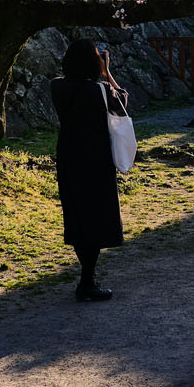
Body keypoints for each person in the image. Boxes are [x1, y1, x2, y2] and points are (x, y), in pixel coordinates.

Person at [51, 39, 125, 302]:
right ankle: (87, 280)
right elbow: (123, 105)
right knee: (96, 217)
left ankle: (86, 277)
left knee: (77, 217)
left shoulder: (56, 86)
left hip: (69, 157)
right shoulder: (101, 91)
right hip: (96, 160)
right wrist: (107, 72)